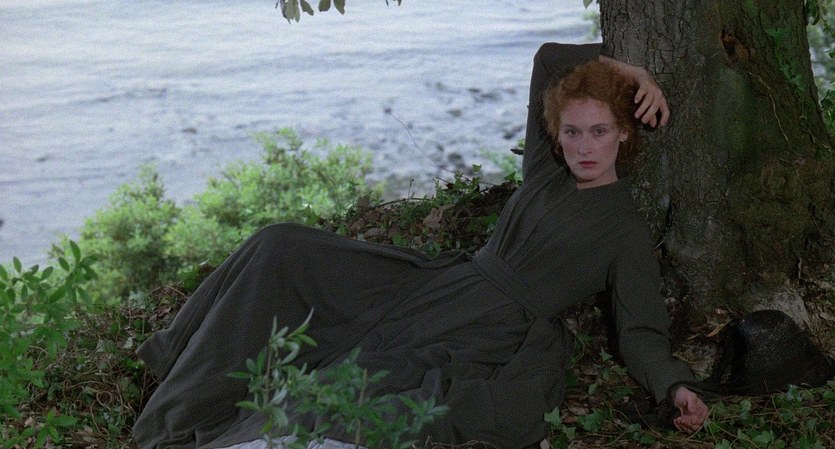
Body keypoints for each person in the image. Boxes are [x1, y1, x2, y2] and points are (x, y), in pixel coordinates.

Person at [133, 43, 708, 449]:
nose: (584, 147)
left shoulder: (625, 230)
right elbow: (550, 60)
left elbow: (641, 331)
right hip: (438, 280)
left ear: (624, 133)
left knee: (355, 377)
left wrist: (675, 386)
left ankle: (243, 427)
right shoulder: (547, 171)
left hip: (491, 328)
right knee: (279, 246)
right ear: (557, 136)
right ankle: (180, 367)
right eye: (573, 132)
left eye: (600, 131)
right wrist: (629, 68)